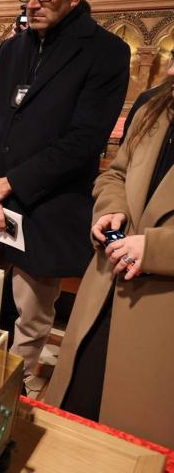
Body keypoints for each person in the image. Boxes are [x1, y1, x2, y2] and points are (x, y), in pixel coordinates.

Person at [0, 0, 131, 395]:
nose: (32, 3)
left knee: (29, 333)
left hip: (46, 210)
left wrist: (7, 186)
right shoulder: (11, 50)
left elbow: (83, 142)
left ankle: (16, 413)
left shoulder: (106, 53)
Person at [44, 64, 174, 447]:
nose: (169, 65)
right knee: (73, 424)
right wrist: (109, 210)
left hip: (158, 314)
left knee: (132, 443)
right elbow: (114, 175)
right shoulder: (155, 107)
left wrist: (155, 249)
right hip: (105, 293)